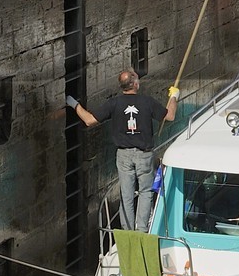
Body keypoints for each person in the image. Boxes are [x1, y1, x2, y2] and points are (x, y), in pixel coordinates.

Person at [68, 70, 175, 233]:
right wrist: (174, 96)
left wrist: (74, 104)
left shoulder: (114, 103)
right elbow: (170, 116)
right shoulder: (147, 102)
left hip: (123, 155)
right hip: (144, 154)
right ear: (136, 84)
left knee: (126, 193)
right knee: (146, 192)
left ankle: (127, 231)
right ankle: (142, 229)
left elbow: (89, 120)